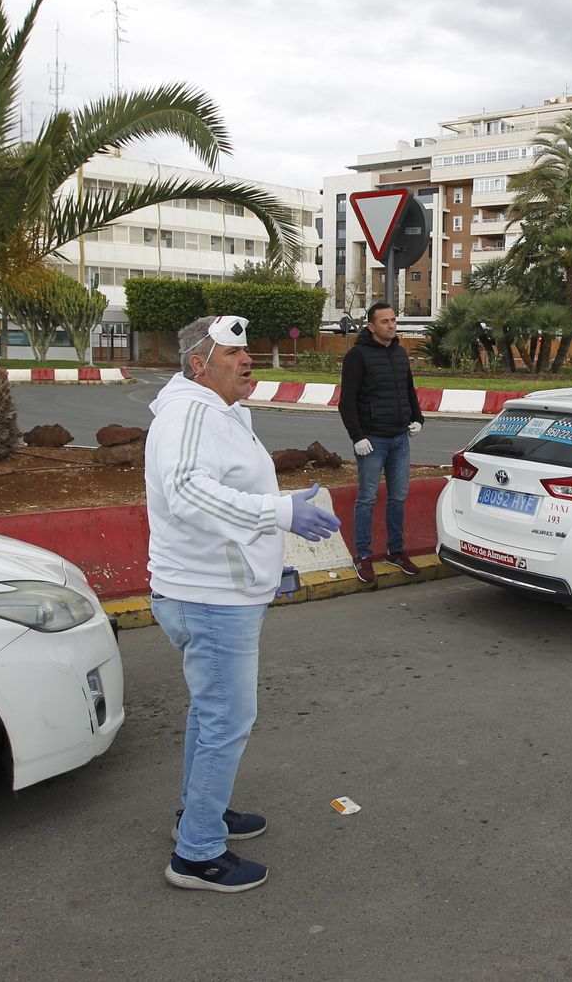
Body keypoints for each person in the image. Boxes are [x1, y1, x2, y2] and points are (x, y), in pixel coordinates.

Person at [145, 314, 341, 892]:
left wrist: (276, 524)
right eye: (233, 352)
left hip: (223, 588)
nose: (247, 359)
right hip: (209, 595)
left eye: (248, 350)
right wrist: (280, 513)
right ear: (199, 364)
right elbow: (186, 491)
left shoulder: (217, 410)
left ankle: (201, 811)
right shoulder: (189, 413)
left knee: (212, 714)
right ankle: (197, 855)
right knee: (226, 717)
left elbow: (230, 486)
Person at [338, 302, 424, 583]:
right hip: (372, 440)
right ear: (371, 326)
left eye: (393, 320)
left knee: (398, 496)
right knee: (367, 498)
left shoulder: (400, 353)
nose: (391, 325)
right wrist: (357, 436)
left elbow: (408, 388)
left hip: (400, 438)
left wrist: (417, 417)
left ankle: (395, 552)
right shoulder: (357, 356)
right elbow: (346, 401)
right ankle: (363, 555)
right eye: (385, 321)